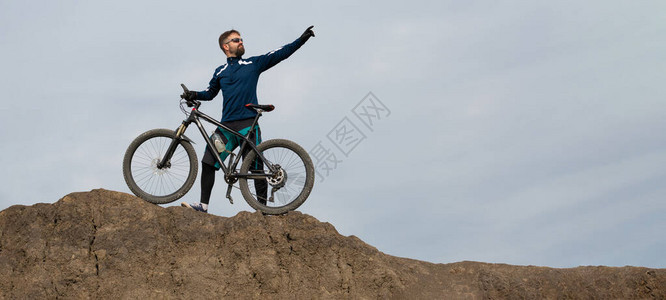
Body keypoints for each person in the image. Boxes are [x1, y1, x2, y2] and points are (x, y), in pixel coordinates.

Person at [180, 26, 315, 213]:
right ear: (226, 47)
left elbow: (280, 53)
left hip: (247, 125)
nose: (241, 42)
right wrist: (193, 94)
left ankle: (264, 211)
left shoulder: (253, 64)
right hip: (226, 127)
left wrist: (302, 39)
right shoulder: (220, 71)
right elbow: (210, 93)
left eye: (241, 39)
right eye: (236, 40)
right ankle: (203, 206)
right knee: (208, 162)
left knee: (256, 170)